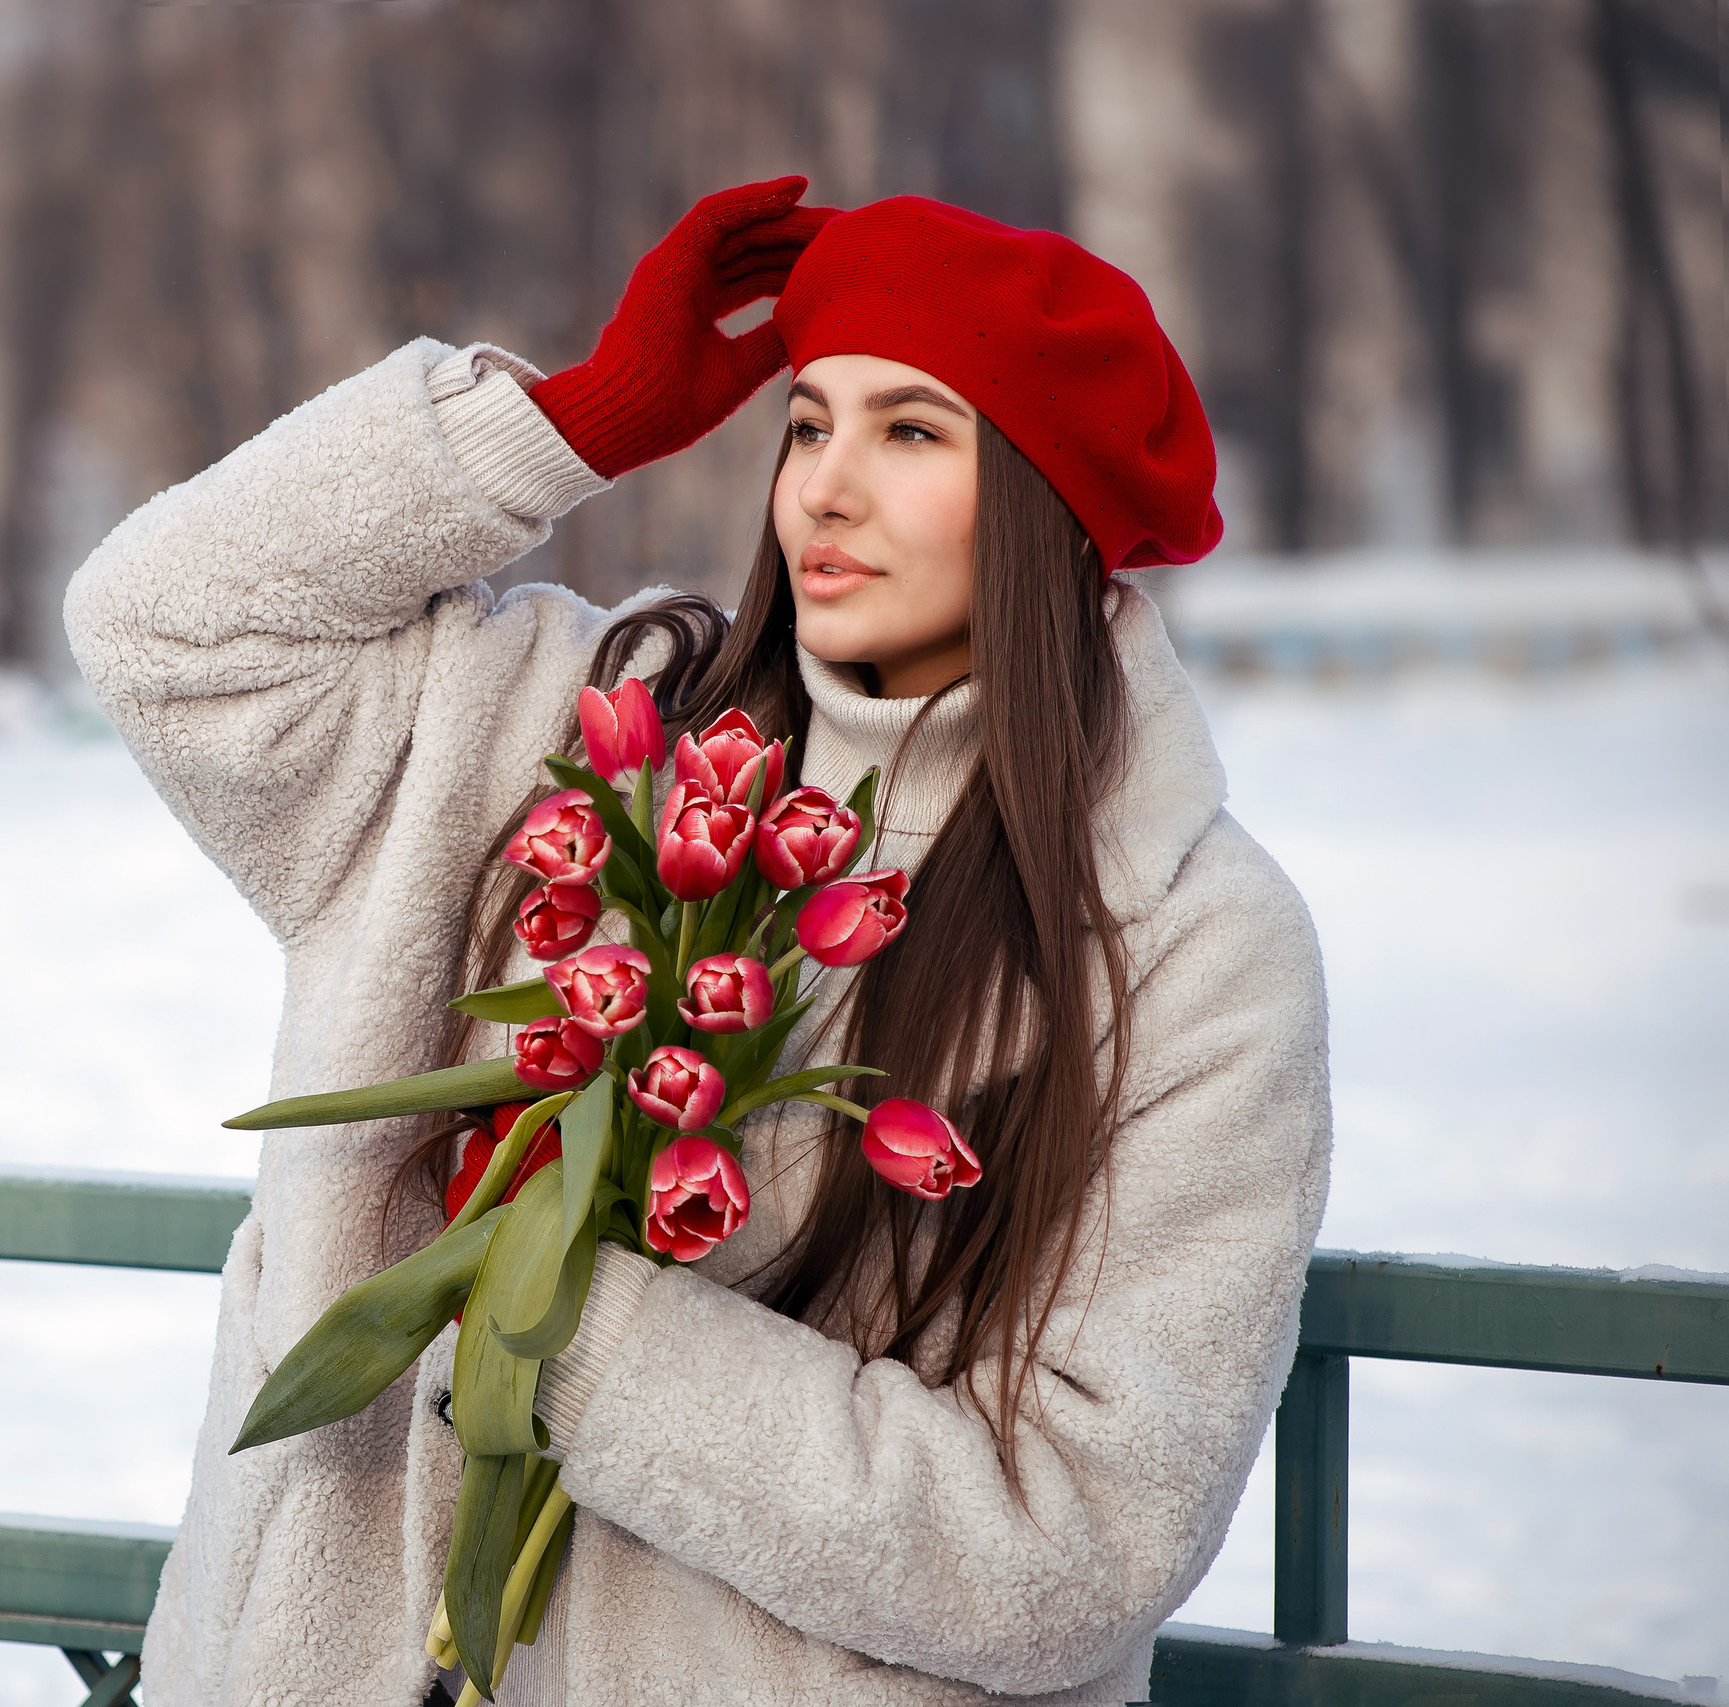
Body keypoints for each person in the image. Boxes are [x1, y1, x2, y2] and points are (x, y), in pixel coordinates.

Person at [65, 178, 1330, 1707]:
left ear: (1050, 501)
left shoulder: (1183, 945)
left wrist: (571, 1332)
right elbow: (163, 625)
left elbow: (1070, 1546)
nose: (824, 491)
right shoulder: (584, 730)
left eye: (911, 432)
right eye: (809, 425)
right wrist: (576, 422)